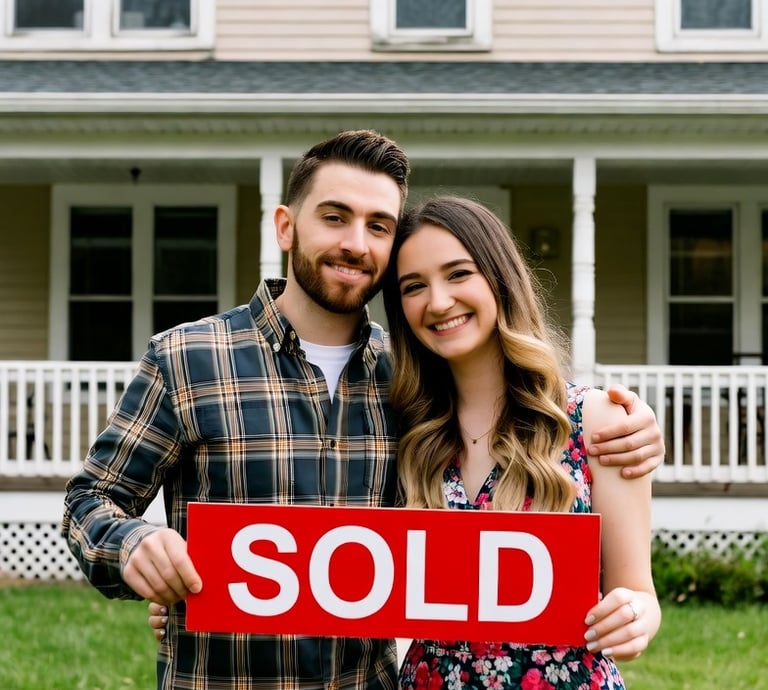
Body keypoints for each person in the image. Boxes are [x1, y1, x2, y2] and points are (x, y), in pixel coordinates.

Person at [63, 130, 663, 690]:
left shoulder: (407, 389)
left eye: (379, 226)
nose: (355, 242)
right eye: (334, 217)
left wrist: (636, 428)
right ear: (285, 226)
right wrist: (136, 544)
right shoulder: (188, 357)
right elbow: (91, 500)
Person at [380, 196, 661, 689]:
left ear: (500, 278)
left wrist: (634, 615)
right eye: (414, 287)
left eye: (459, 274)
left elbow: (637, 591)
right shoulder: (406, 430)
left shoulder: (593, 419)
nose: (439, 301)